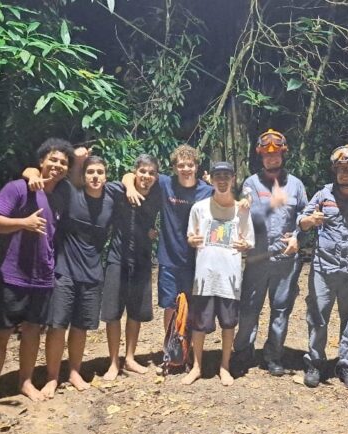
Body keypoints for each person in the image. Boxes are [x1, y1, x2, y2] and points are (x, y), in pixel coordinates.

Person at [0, 138, 72, 414]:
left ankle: (25, 381)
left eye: (63, 162)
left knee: (32, 332)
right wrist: (23, 223)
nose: (58, 165)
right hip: (12, 274)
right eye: (53, 160)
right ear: (41, 161)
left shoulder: (60, 196)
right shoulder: (18, 188)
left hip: (42, 276)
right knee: (0, 333)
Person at [23, 150, 118, 395]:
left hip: (93, 273)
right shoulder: (70, 193)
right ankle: (53, 377)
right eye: (90, 172)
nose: (95, 177)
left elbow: (134, 184)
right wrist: (31, 172)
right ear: (83, 175)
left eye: (100, 172)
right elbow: (43, 174)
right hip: (64, 270)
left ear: (106, 176)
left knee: (80, 327)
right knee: (57, 326)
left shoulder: (111, 199)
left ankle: (74, 371)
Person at [297, 145, 348, 391]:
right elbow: (301, 221)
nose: (345, 174)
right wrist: (310, 221)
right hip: (323, 269)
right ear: (335, 171)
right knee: (318, 316)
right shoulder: (323, 195)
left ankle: (347, 364)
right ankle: (314, 362)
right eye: (341, 169)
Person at [233, 129, 308, 376]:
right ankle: (243, 352)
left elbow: (304, 217)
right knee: (249, 307)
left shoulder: (296, 185)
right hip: (258, 258)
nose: (272, 159)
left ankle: (274, 356)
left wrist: (298, 237)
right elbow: (243, 215)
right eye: (267, 154)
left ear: (283, 155)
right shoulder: (251, 184)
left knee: (281, 309)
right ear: (261, 156)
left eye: (276, 155)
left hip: (286, 259)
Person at [123, 145, 213, 336]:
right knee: (170, 307)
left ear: (197, 166)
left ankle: (187, 350)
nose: (186, 169)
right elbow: (131, 175)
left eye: (190, 165)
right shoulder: (165, 184)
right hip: (169, 258)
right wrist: (130, 187)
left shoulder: (207, 190)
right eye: (181, 165)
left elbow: (226, 205)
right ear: (174, 168)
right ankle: (171, 351)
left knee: (191, 305)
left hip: (196, 260)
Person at [181, 162, 254, 386]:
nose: (222, 180)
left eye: (227, 176)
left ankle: (225, 366)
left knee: (229, 324)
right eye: (218, 176)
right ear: (211, 180)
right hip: (204, 277)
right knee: (199, 324)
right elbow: (190, 237)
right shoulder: (199, 208)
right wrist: (191, 241)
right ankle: (196, 366)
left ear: (233, 180)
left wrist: (244, 245)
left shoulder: (241, 209)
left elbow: (249, 240)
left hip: (229, 278)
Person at [101, 154, 162, 378]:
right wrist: (128, 185)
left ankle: (129, 358)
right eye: (142, 171)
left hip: (142, 259)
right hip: (117, 258)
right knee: (113, 312)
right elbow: (106, 183)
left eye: (151, 173)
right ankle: (113, 363)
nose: (146, 176)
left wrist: (152, 232)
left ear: (156, 176)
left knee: (135, 312)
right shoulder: (119, 190)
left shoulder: (158, 193)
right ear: (135, 172)